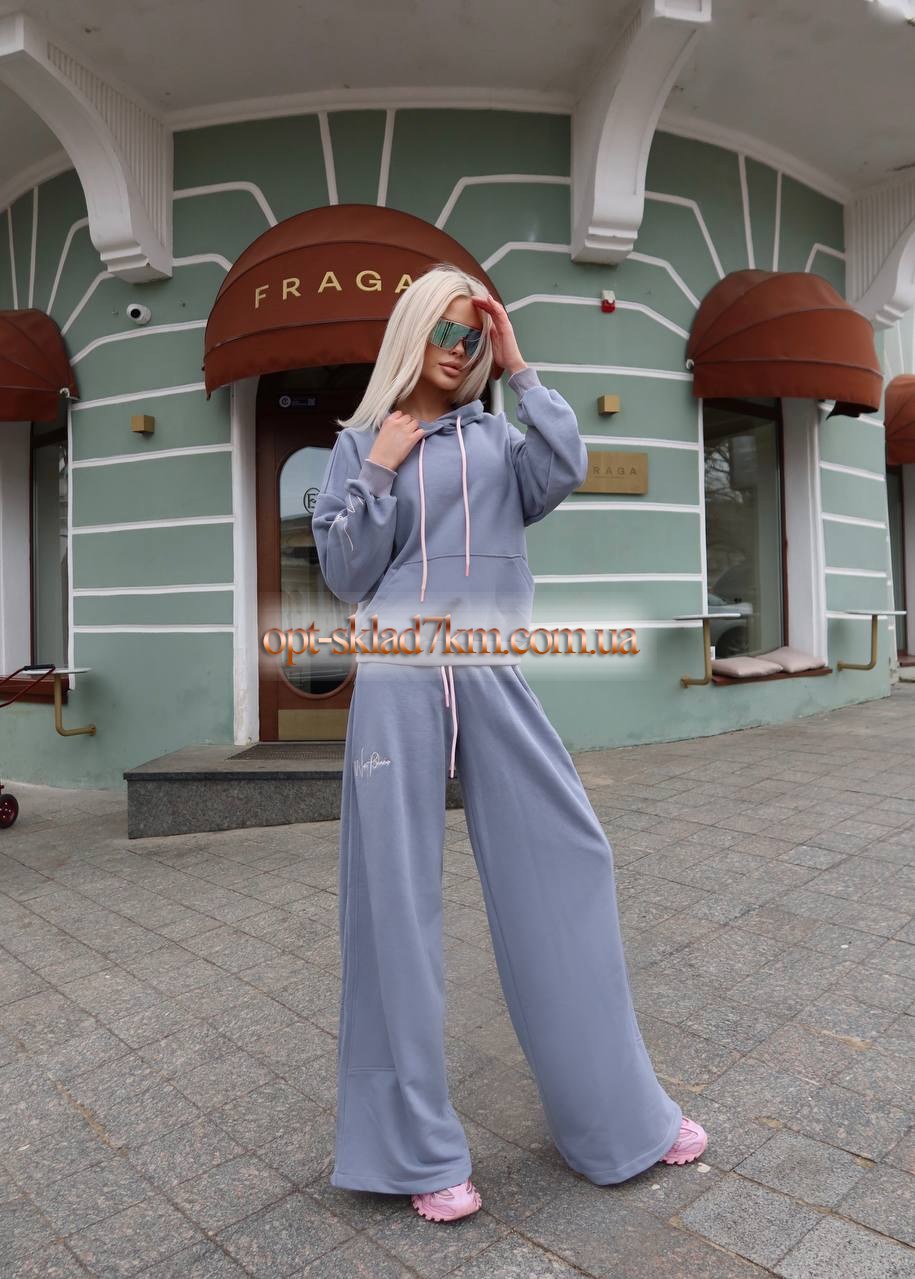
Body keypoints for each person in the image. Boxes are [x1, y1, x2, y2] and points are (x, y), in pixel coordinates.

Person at [312, 262, 708, 1223]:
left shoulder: (499, 440)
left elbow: (564, 465)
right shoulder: (360, 442)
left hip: (491, 669)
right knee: (392, 904)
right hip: (399, 678)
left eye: (474, 334)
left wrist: (521, 367)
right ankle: (415, 1153)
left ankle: (620, 1120)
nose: (460, 350)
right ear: (412, 333)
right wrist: (380, 466)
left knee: (571, 860)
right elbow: (343, 571)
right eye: (445, 331)